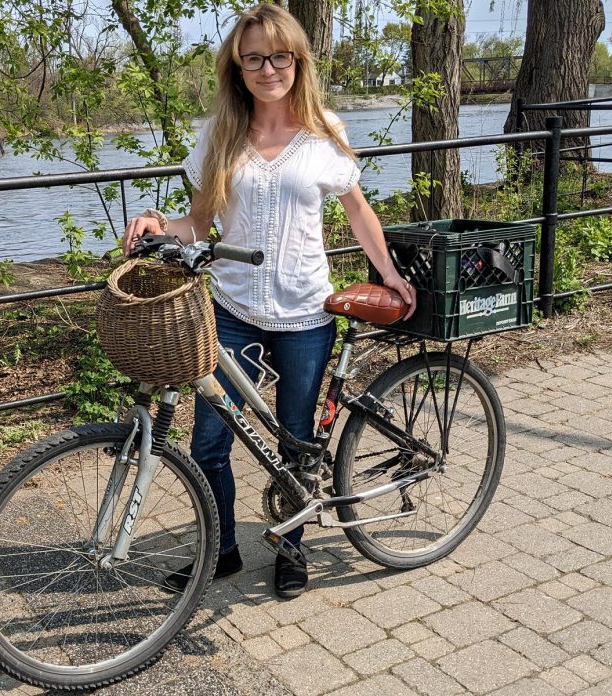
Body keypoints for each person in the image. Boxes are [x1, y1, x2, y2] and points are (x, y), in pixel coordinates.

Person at [122, 3, 416, 599]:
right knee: (209, 441)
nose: (267, 68)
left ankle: (291, 548)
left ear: (297, 62)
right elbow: (200, 221)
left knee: (295, 438)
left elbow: (357, 210)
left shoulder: (322, 132)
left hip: (307, 311)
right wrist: (159, 222)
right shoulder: (220, 135)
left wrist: (387, 271)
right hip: (230, 312)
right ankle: (222, 550)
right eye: (253, 57)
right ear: (238, 65)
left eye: (279, 56)